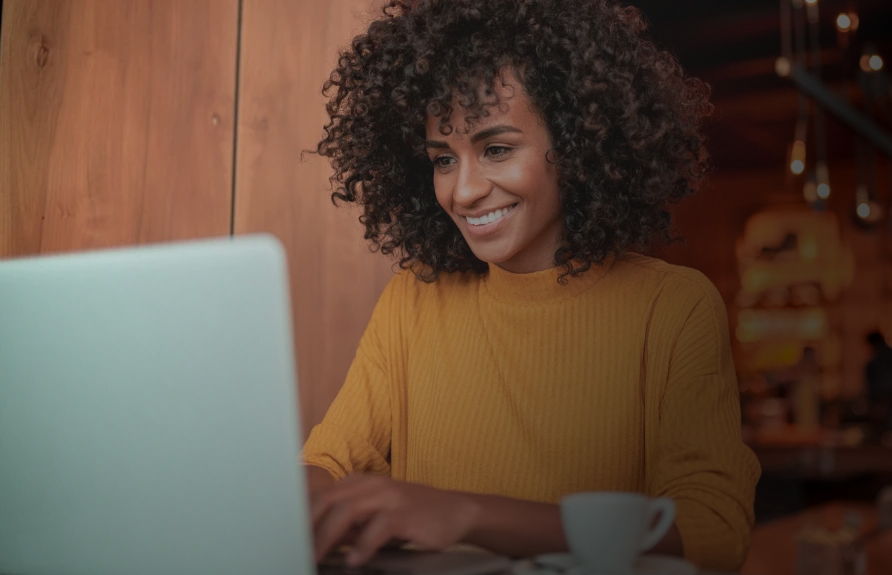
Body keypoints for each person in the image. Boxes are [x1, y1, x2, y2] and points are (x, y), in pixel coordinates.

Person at [302, 0, 760, 571]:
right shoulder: (413, 300)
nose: (463, 191)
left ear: (574, 142)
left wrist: (465, 515)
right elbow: (326, 465)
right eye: (443, 159)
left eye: (496, 149)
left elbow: (713, 532)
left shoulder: (672, 308)